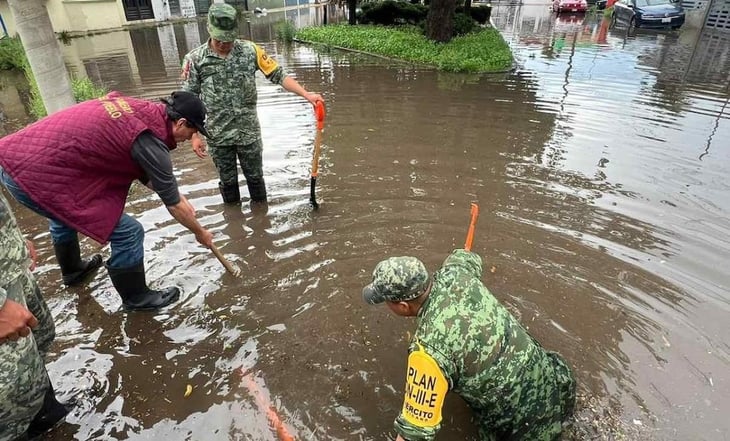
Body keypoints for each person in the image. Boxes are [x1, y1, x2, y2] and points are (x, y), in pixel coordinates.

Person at [0, 91, 215, 311]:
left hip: (16, 158)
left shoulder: (137, 110)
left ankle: (74, 272)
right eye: (193, 131)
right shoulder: (149, 140)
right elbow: (173, 206)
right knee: (129, 233)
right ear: (180, 123)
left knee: (61, 214)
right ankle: (137, 299)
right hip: (31, 176)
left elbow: (149, 174)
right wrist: (200, 232)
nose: (191, 138)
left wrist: (172, 193)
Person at [362, 249, 576, 441]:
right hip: (554, 382)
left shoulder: (427, 351)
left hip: (519, 424)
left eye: (386, 301)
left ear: (402, 306)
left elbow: (414, 433)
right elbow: (466, 257)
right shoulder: (457, 274)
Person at [180, 3, 324, 205]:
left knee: (256, 179)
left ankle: (260, 221)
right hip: (217, 135)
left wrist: (306, 94)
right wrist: (194, 136)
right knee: (228, 184)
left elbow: (278, 75)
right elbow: (189, 101)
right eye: (219, 39)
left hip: (249, 133)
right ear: (210, 30)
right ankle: (234, 221)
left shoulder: (250, 51)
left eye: (228, 39)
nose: (224, 44)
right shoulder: (195, 59)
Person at [1, 191, 69, 440]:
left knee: (38, 338)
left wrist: (13, 240)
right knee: (6, 389)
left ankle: (46, 417)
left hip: (9, 268)